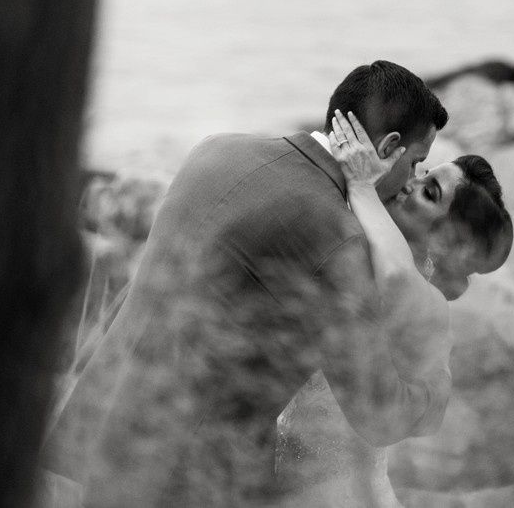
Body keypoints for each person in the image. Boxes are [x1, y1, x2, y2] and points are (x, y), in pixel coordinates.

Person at [42, 61, 452, 507]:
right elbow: (377, 414)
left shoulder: (216, 149)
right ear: (388, 146)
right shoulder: (336, 237)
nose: (412, 181)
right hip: (187, 478)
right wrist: (434, 387)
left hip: (101, 430)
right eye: (415, 163)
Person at [274, 110, 514, 507]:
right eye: (422, 170)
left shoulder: (413, 294)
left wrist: (362, 186)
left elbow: (396, 281)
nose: (410, 181)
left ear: (446, 241)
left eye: (429, 192)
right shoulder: (363, 248)